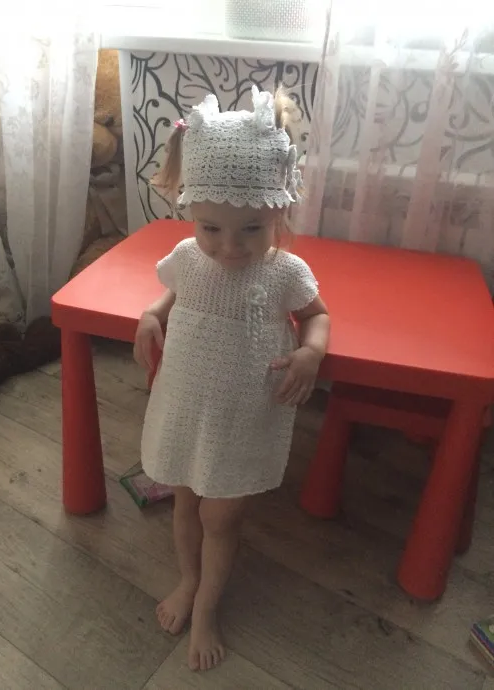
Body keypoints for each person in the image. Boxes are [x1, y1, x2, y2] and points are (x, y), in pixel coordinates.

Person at [134, 85, 330, 672]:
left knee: (222, 518)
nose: (229, 247)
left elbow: (317, 315)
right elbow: (172, 292)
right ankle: (188, 580)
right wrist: (151, 315)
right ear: (192, 213)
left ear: (278, 211)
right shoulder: (187, 257)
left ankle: (207, 608)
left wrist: (311, 353)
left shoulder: (285, 272)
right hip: (188, 404)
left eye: (250, 228)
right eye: (211, 228)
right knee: (185, 502)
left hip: (243, 417)